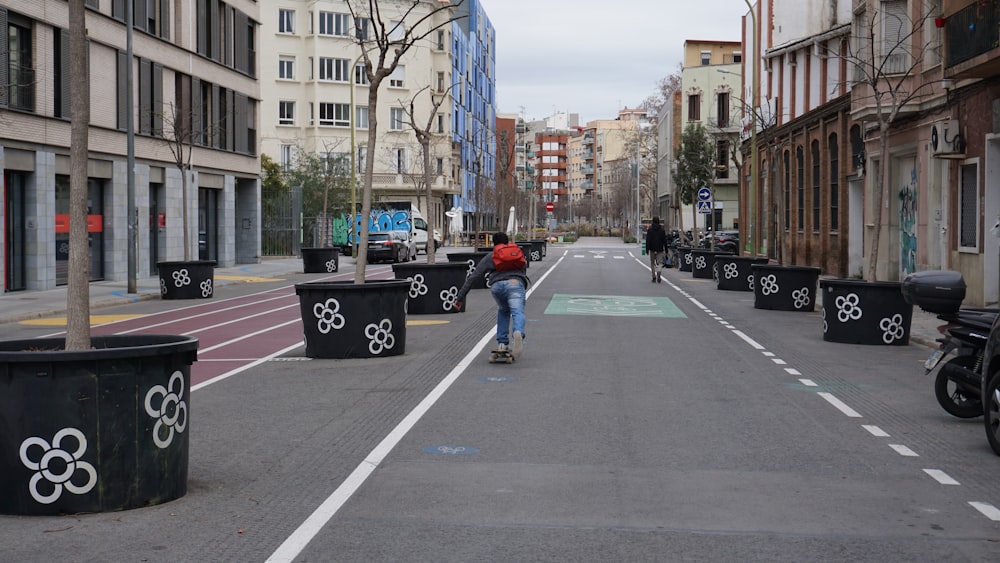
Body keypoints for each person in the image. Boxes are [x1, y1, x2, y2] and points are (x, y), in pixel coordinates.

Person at [454, 232, 530, 358]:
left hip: (497, 286)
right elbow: (523, 269)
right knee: (517, 311)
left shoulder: (492, 256)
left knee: (503, 310)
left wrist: (460, 298)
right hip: (515, 283)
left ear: (494, 243)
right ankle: (518, 332)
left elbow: (473, 277)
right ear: (507, 242)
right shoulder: (516, 253)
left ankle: (502, 343)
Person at [645, 216, 667, 283]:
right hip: (659, 249)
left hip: (652, 248)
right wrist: (666, 249)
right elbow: (664, 240)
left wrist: (647, 249)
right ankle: (659, 271)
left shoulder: (650, 230)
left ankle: (653, 276)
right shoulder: (662, 230)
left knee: (652, 263)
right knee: (660, 262)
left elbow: (648, 240)